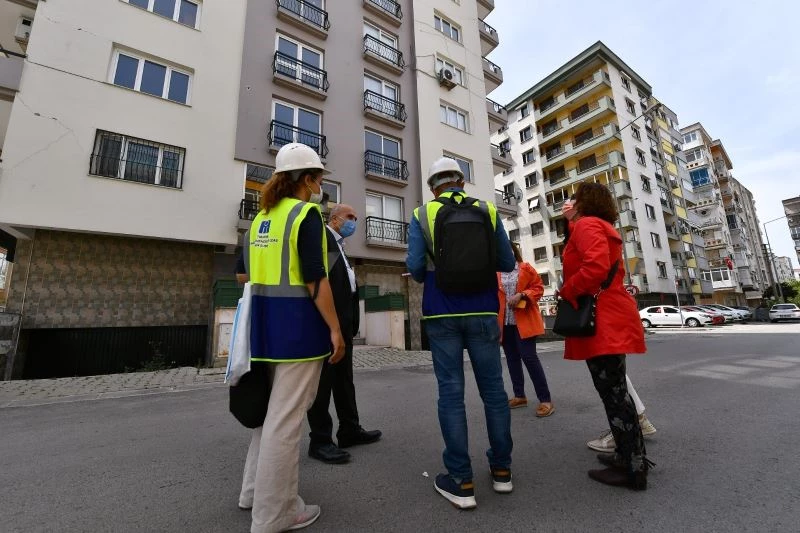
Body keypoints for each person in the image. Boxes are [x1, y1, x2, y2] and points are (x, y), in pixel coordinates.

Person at [238, 143, 345, 532]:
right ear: (307, 179)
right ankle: (275, 515)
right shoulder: (306, 215)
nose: (320, 185)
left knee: (269, 418)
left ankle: (253, 493)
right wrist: (335, 329)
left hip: (262, 330)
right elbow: (317, 279)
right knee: (286, 423)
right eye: (319, 177)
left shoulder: (260, 218)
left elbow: (244, 275)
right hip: (299, 330)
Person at [406, 157, 516, 509]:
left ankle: (461, 479)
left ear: (433, 186)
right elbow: (507, 262)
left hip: (442, 312)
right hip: (483, 310)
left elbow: (414, 266)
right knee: (494, 392)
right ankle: (502, 471)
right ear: (461, 182)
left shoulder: (423, 213)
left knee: (451, 394)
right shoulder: (487, 210)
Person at [557, 182, 651, 490]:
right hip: (611, 315)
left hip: (602, 321)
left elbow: (594, 267)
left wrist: (567, 290)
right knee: (617, 392)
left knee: (613, 395)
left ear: (585, 201)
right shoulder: (599, 225)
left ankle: (633, 468)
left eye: (575, 198)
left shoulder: (587, 225)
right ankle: (629, 457)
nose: (571, 203)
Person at [307, 204, 382, 464]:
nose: (354, 222)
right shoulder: (323, 239)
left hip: (344, 323)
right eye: (350, 217)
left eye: (356, 218)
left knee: (344, 380)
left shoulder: (340, 246)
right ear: (335, 218)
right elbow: (320, 281)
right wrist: (332, 325)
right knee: (322, 383)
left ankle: (349, 429)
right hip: (327, 324)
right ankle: (320, 440)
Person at [497, 242, 554, 417]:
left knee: (529, 358)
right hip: (505, 323)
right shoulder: (496, 272)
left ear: (513, 251)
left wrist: (522, 294)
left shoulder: (525, 268)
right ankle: (519, 396)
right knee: (512, 360)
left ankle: (545, 400)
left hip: (524, 322)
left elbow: (539, 288)